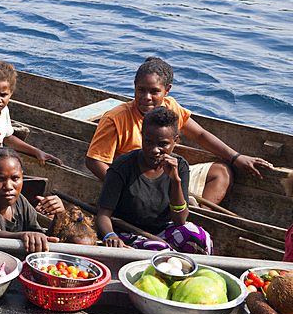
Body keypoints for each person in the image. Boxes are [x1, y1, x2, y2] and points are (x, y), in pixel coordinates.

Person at [85, 57, 272, 205]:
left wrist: (236, 157)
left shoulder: (170, 106)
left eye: (154, 91)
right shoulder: (116, 118)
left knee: (222, 171)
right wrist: (126, 188)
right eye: (140, 90)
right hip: (136, 179)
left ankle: (200, 215)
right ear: (134, 86)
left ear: (167, 90)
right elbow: (95, 161)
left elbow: (200, 134)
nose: (146, 97)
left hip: (166, 172)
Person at [96, 107, 213, 254]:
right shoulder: (123, 166)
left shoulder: (180, 166)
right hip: (127, 233)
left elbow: (180, 221)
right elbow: (103, 215)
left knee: (201, 238)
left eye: (163, 144)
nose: (155, 150)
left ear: (175, 141)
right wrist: (110, 235)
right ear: (142, 137)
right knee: (160, 250)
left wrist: (175, 180)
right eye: (148, 142)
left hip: (163, 231)